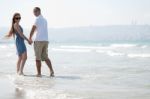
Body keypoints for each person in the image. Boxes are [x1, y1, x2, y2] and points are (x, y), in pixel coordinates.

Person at [29, 7, 54, 77]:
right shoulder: (45, 20)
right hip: (46, 41)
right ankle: (51, 71)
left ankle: (39, 74)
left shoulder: (37, 19)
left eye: (35, 12)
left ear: (39, 11)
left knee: (38, 58)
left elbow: (33, 29)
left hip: (39, 41)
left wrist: (30, 37)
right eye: (33, 12)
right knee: (45, 57)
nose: (34, 13)